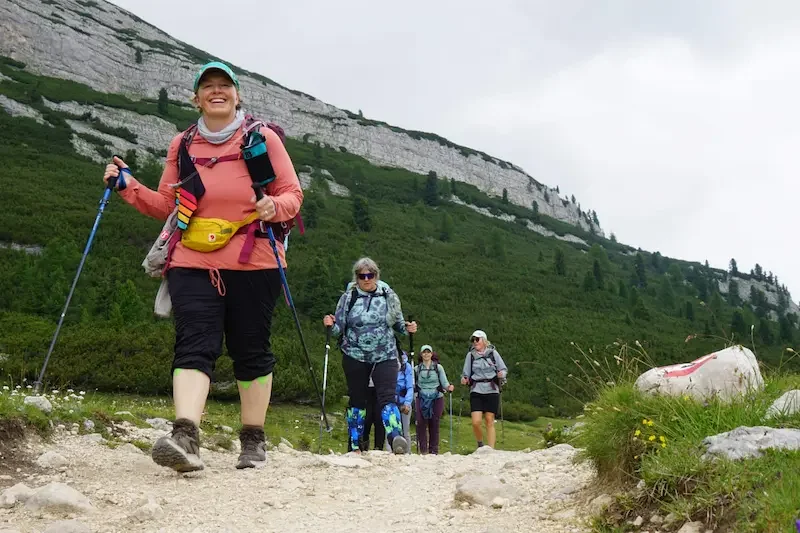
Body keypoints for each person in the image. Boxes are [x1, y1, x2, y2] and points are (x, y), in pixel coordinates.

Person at [103, 61, 303, 472]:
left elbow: (292, 194)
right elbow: (167, 203)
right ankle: (185, 435)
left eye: (224, 86)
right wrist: (127, 186)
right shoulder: (183, 143)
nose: (217, 91)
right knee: (194, 343)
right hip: (191, 259)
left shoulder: (261, 137)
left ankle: (252, 439)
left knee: (251, 349)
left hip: (256, 260)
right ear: (196, 98)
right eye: (207, 87)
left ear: (237, 94)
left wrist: (273, 206)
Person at [323, 257, 417, 454]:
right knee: (357, 399)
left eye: (370, 275)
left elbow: (398, 324)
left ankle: (395, 438)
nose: (366, 279)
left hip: (386, 354)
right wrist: (330, 325)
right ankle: (355, 445)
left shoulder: (388, 296)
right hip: (354, 354)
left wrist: (407, 328)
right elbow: (339, 327)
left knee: (387, 397)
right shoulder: (348, 298)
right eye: (361, 276)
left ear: (376, 275)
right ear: (356, 277)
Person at [460, 330, 508, 449]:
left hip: (492, 389)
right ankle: (480, 443)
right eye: (473, 340)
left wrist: (502, 374)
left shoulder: (493, 354)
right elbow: (465, 373)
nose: (475, 342)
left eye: (477, 339)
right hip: (476, 389)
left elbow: (503, 369)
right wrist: (464, 379)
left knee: (489, 419)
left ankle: (490, 449)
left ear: (484, 341)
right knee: (476, 422)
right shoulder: (470, 356)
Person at [414, 344, 454, 454]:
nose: (426, 354)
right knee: (421, 423)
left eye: (428, 352)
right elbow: (414, 384)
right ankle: (423, 450)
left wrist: (448, 387)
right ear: (421, 354)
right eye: (424, 352)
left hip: (437, 398)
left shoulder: (438, 368)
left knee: (434, 423)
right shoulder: (416, 369)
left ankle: (433, 451)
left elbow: (444, 382)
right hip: (421, 397)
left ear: (432, 354)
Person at [394, 348, 414, 454]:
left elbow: (410, 387)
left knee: (405, 430)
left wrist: (407, 403)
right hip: (392, 402)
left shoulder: (407, 367)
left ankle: (407, 453)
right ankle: (390, 453)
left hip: (404, 401)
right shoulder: (388, 365)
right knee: (391, 429)